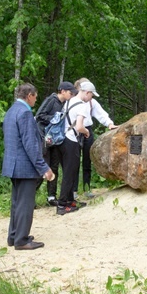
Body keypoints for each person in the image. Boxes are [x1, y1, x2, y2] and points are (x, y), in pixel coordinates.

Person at [2, 84, 55, 249]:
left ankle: (13, 236)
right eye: (36, 96)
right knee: (25, 203)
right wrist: (43, 167)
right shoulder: (25, 113)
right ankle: (22, 240)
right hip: (24, 166)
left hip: (13, 164)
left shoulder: (12, 111)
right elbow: (30, 144)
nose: (36, 99)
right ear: (30, 95)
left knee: (17, 202)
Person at [72, 77, 118, 198]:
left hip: (88, 131)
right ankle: (73, 190)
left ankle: (87, 189)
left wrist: (109, 123)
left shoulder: (91, 102)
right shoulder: (74, 101)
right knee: (74, 162)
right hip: (75, 132)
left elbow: (101, 113)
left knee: (87, 160)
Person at [34, 81, 77, 206]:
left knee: (54, 167)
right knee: (44, 167)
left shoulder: (66, 104)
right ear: (62, 91)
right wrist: (55, 118)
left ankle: (51, 196)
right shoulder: (51, 100)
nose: (72, 95)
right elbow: (39, 116)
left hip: (56, 139)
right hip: (44, 137)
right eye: (70, 93)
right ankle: (30, 197)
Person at [56, 81, 96, 214]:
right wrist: (86, 131)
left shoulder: (69, 101)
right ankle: (62, 205)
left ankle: (70, 201)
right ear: (87, 93)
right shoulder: (83, 105)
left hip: (62, 140)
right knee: (69, 173)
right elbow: (79, 126)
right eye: (92, 95)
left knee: (69, 171)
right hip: (71, 140)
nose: (91, 98)